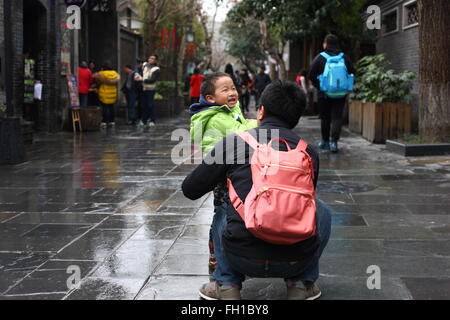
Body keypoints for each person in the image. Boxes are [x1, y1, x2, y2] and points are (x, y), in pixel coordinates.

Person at [182, 80, 331, 300]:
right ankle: (301, 283)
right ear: (296, 119)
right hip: (295, 258)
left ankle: (226, 284)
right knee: (320, 209)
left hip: (239, 255)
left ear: (261, 112)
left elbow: (190, 189)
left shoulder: (233, 143)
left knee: (225, 201)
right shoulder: (308, 151)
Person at [189, 72, 258, 278]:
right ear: (211, 99)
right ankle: (218, 257)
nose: (232, 93)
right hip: (222, 171)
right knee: (222, 212)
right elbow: (242, 131)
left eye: (233, 88)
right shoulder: (218, 117)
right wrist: (261, 122)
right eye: (225, 89)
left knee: (222, 210)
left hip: (227, 166)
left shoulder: (226, 110)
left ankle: (214, 254)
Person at [308, 34, 355, 153]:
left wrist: (319, 86)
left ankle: (325, 142)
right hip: (340, 93)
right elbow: (352, 72)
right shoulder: (344, 57)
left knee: (325, 118)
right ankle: (334, 142)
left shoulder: (320, 57)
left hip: (324, 93)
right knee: (337, 118)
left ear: (325, 44)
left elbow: (311, 74)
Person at [94, 61, 120, 128]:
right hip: (113, 93)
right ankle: (112, 121)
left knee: (104, 108)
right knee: (111, 107)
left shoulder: (101, 74)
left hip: (104, 93)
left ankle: (104, 121)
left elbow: (97, 81)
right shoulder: (115, 74)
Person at [139, 54, 160, 128]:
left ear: (155, 60)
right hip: (143, 88)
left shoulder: (156, 69)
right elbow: (140, 72)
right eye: (150, 58)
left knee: (150, 105)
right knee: (143, 105)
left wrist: (143, 80)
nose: (151, 59)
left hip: (150, 89)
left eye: (153, 59)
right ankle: (143, 120)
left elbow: (153, 80)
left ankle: (152, 120)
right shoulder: (144, 66)